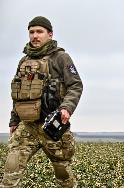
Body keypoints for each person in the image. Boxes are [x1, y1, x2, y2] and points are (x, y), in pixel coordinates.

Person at [0, 16, 83, 187]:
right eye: (31, 32)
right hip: (27, 126)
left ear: (50, 34)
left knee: (63, 174)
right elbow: (19, 93)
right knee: (11, 171)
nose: (35, 36)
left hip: (51, 125)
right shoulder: (23, 61)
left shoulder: (61, 57)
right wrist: (14, 120)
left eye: (40, 31)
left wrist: (66, 108)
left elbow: (75, 85)